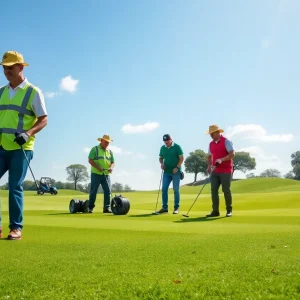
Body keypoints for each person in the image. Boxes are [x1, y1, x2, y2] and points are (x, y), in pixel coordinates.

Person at [0, 51, 48, 240]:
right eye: (4, 68)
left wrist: (28, 133)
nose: (7, 71)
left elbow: (44, 119)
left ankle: (16, 228)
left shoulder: (33, 92)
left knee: (14, 186)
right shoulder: (1, 92)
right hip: (2, 146)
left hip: (22, 149)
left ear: (21, 67)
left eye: (11, 67)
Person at [205, 125, 234, 217]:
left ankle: (229, 210)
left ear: (218, 132)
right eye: (210, 134)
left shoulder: (226, 141)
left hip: (226, 170)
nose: (211, 135)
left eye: (212, 133)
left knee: (226, 190)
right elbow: (209, 156)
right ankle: (215, 211)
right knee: (213, 191)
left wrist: (222, 159)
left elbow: (232, 154)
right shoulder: (211, 144)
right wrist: (209, 166)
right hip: (215, 170)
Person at [88, 134, 115, 213]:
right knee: (93, 191)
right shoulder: (95, 149)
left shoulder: (109, 151)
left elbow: (113, 162)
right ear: (101, 141)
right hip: (96, 174)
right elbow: (90, 160)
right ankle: (90, 207)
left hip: (106, 174)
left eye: (108, 142)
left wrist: (111, 168)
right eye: (106, 142)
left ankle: (107, 208)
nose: (107, 144)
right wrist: (98, 167)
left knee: (108, 191)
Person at [157, 134, 184, 214]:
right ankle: (164, 208)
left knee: (176, 189)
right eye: (165, 142)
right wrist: (161, 163)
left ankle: (176, 208)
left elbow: (181, 158)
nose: (166, 143)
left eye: (168, 141)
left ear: (171, 139)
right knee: (164, 189)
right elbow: (160, 157)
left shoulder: (177, 147)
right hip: (166, 172)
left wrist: (177, 168)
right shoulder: (163, 148)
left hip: (176, 172)